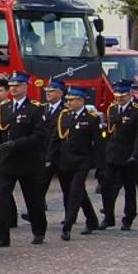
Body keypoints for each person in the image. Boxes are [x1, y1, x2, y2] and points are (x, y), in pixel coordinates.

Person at [0, 75, 50, 247]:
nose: (14, 89)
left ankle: (38, 231)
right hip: (7, 161)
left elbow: (39, 135)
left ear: (26, 86)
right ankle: (2, 235)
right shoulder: (5, 108)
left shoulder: (35, 109)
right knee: (3, 198)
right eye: (11, 85)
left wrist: (17, 144)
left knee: (33, 198)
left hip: (28, 160)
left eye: (18, 85)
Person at [42, 81, 100, 228]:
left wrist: (100, 165)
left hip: (82, 161)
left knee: (75, 191)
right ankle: (92, 220)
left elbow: (98, 144)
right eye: (67, 100)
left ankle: (68, 225)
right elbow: (56, 139)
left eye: (72, 100)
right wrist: (49, 159)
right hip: (66, 160)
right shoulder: (64, 116)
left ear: (81, 100)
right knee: (79, 192)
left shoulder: (91, 119)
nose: (68, 103)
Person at [99, 80, 138, 231]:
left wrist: (136, 155)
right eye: (117, 95)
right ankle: (108, 217)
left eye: (123, 95)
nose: (119, 98)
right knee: (106, 186)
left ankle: (128, 218)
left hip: (129, 154)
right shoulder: (112, 108)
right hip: (113, 153)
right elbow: (109, 132)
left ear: (130, 94)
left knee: (130, 188)